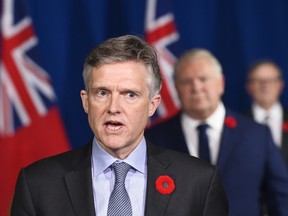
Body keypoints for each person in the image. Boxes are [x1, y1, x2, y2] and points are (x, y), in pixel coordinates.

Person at [11, 35, 228, 216]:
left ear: (152, 105)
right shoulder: (37, 184)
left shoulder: (199, 182)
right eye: (102, 93)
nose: (113, 107)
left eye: (130, 94)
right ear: (86, 102)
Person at [145, 48, 288, 216]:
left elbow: (281, 198)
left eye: (203, 79)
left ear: (221, 83)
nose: (196, 87)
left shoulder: (256, 134)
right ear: (176, 88)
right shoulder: (155, 136)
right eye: (186, 81)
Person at [245, 60, 288, 166]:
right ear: (249, 87)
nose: (265, 85)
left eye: (271, 80)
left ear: (280, 85)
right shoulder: (239, 123)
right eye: (259, 81)